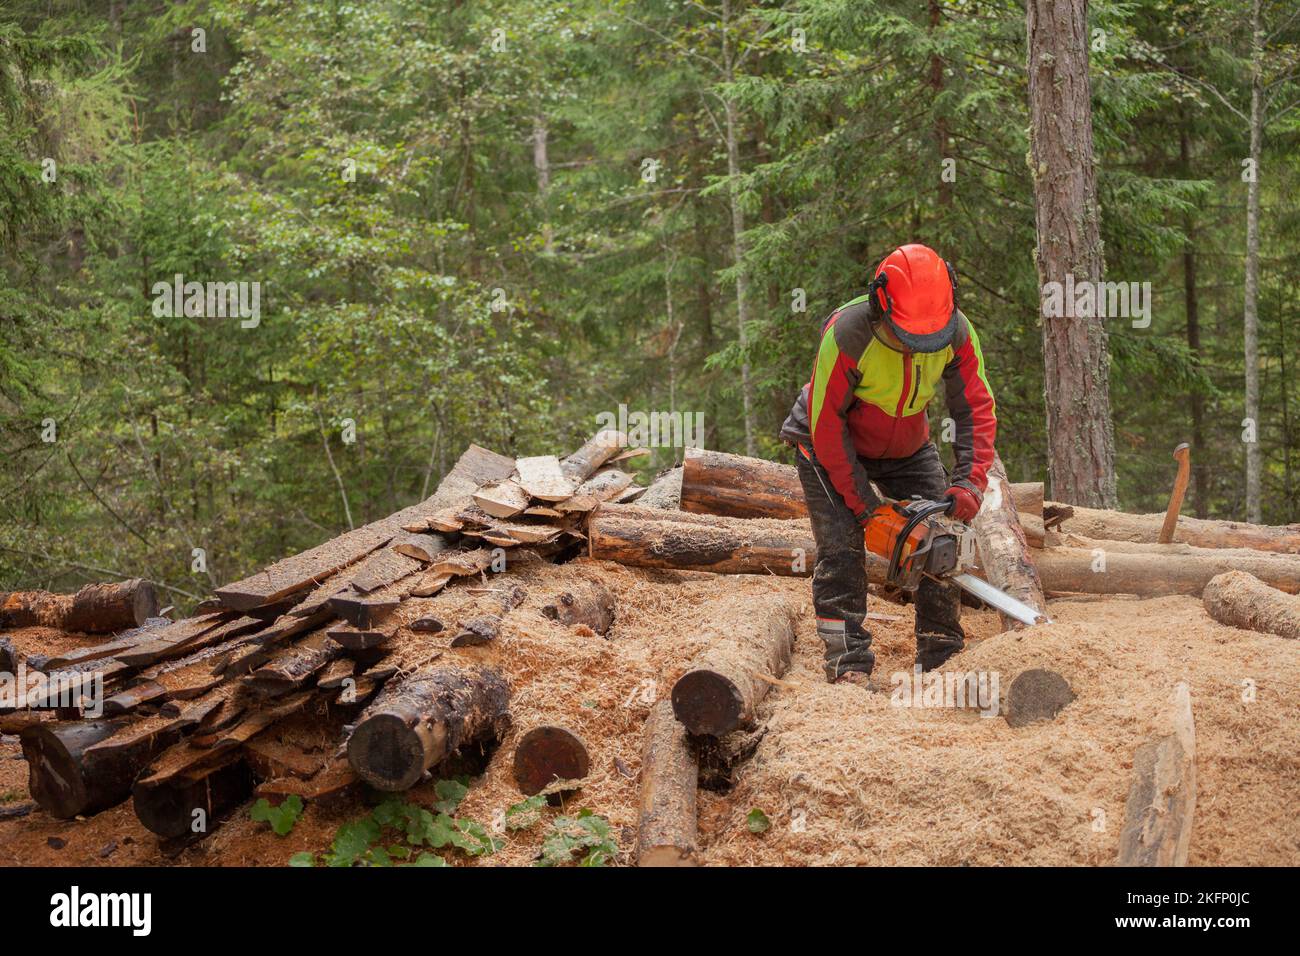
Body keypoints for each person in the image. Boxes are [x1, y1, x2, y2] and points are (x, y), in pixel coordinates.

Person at [780, 243, 997, 684]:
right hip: (828, 447)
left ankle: (941, 653)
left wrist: (970, 481)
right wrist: (866, 509)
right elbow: (827, 427)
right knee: (842, 548)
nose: (917, 348)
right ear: (882, 305)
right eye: (908, 337)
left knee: (942, 538)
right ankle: (847, 662)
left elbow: (974, 408)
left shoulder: (956, 332)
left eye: (926, 341)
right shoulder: (848, 334)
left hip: (907, 445)